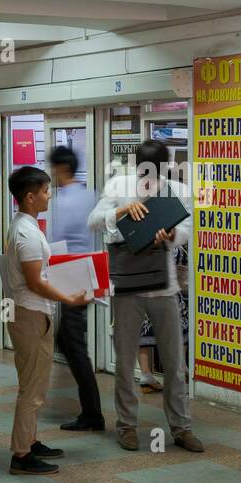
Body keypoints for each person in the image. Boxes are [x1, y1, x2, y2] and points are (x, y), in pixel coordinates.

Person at [88, 139, 203, 453]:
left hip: (164, 287)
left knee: (175, 363)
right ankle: (127, 427)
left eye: (155, 172)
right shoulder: (118, 185)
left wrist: (172, 235)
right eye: (143, 173)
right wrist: (120, 211)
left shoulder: (176, 192)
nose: (148, 179)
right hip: (127, 287)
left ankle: (182, 428)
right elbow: (94, 221)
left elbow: (188, 229)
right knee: (125, 362)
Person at [4, 166, 91, 475]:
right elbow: (35, 282)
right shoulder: (26, 233)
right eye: (44, 191)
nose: (49, 195)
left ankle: (30, 439)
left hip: (32, 312)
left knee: (36, 382)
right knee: (32, 388)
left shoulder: (26, 225)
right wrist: (69, 298)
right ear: (30, 197)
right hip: (30, 313)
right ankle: (21, 454)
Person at [47, 146, 104, 433]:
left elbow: (56, 242)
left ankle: (92, 412)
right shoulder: (90, 195)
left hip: (70, 276)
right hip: (89, 273)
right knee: (67, 339)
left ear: (60, 169)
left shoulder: (61, 201)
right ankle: (84, 404)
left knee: (73, 344)